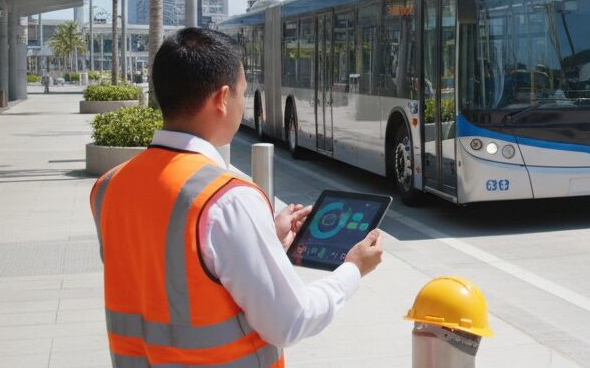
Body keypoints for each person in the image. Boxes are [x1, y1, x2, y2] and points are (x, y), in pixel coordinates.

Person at [89, 28, 383, 367]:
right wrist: (352, 269)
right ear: (222, 98)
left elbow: (169, 272)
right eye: (243, 92)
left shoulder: (109, 185)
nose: (243, 103)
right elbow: (291, 321)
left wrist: (263, 239)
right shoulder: (227, 199)